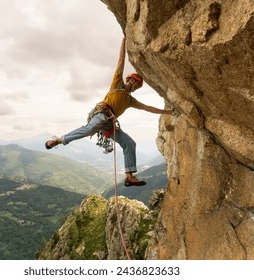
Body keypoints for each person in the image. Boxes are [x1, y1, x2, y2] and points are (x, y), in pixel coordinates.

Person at [45, 37, 172, 186]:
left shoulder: (130, 100)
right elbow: (121, 61)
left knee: (129, 143)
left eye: (137, 86)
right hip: (102, 114)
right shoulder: (117, 85)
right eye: (135, 83)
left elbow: (148, 108)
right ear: (130, 80)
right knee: (91, 128)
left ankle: (129, 176)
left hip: (109, 123)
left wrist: (168, 112)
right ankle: (60, 140)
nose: (134, 86)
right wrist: (124, 40)